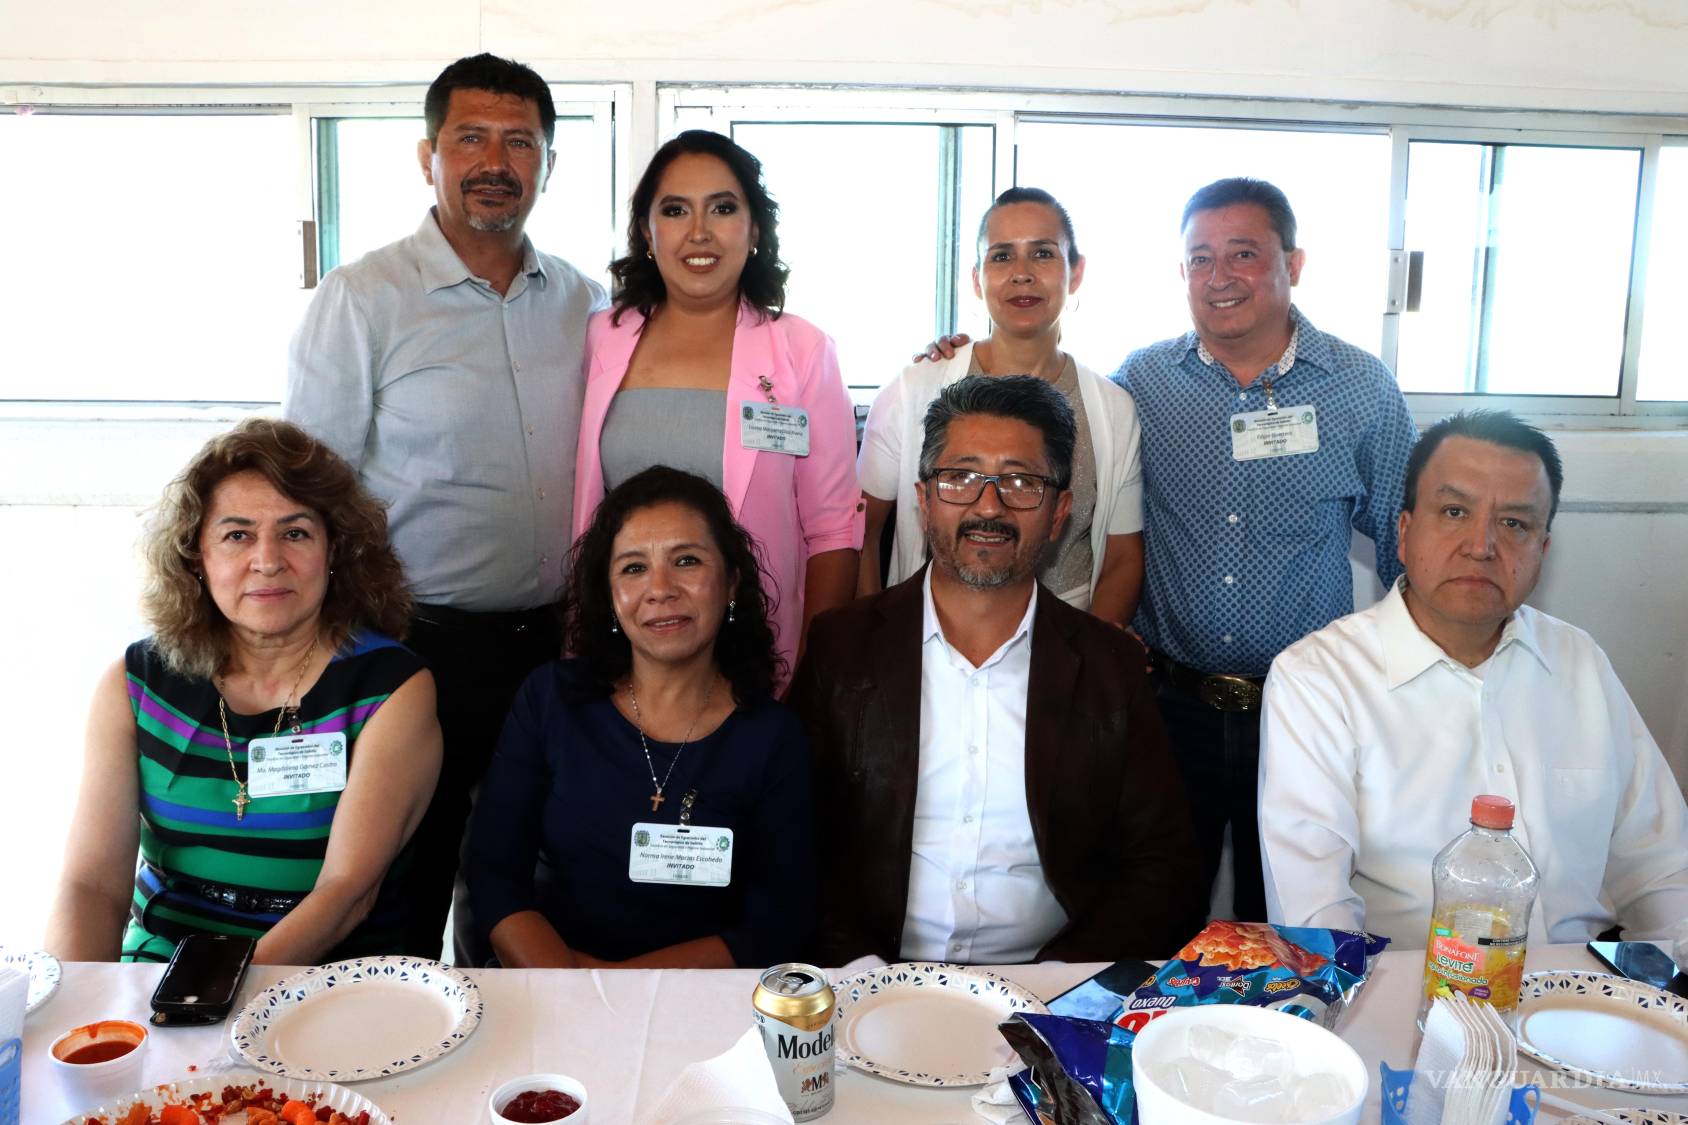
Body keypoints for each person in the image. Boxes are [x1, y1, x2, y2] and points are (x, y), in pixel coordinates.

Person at [284, 53, 607, 959]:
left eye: (520, 142)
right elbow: (308, 491)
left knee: (533, 876)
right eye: (471, 138)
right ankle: (402, 1029)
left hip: (559, 643)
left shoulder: (587, 301)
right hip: (415, 641)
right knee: (406, 875)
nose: (495, 161)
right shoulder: (363, 298)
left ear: (548, 163)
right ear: (428, 155)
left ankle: (518, 1040)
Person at [790, 375, 1203, 965]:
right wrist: (861, 971)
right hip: (872, 982)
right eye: (961, 477)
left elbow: (1163, 867)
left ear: (1059, 513)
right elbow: (792, 842)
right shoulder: (842, 649)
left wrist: (1057, 985)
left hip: (1048, 987)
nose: (989, 506)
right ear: (923, 499)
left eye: (1021, 482)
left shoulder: (1109, 668)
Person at [1259, 411, 1688, 946]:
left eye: (1514, 524)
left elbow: (1662, 868)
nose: (1481, 545)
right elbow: (1314, 915)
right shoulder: (1318, 680)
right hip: (1398, 983)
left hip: (1576, 984)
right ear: (1404, 532)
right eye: (1455, 511)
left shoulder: (1579, 662)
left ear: (1542, 550)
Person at [44, 420, 441, 964]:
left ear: (335, 550)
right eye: (237, 535)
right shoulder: (136, 683)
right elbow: (90, 884)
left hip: (326, 982)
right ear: (197, 557)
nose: (268, 560)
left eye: (295, 533)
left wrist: (217, 994)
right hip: (159, 967)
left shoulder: (390, 689)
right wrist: (80, 996)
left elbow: (347, 894)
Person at [464, 467, 816, 968]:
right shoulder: (550, 700)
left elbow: (777, 924)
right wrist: (574, 989)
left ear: (731, 584)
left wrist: (619, 988)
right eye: (633, 568)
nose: (660, 589)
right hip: (553, 985)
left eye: (687, 561)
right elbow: (495, 876)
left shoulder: (775, 737)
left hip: (703, 1002)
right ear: (608, 596)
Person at [572, 130, 862, 682]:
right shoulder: (599, 338)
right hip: (623, 648)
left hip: (758, 657)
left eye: (723, 208)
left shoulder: (803, 351)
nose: (699, 232)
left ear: (754, 229)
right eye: (675, 210)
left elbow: (832, 532)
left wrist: (810, 674)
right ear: (647, 232)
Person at [858, 187, 1145, 626]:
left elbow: (1122, 557)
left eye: (1043, 254)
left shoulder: (1112, 408)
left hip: (1068, 638)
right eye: (1002, 256)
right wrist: (873, 636)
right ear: (977, 279)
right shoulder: (915, 387)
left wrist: (1091, 655)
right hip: (929, 635)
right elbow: (861, 531)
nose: (1022, 274)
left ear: (1076, 272)